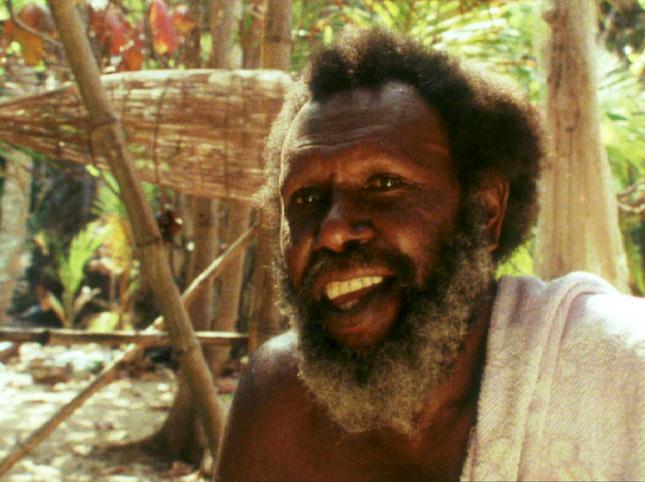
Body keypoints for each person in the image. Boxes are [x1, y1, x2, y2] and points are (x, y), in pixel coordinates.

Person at [216, 29, 645, 481]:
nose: (333, 231)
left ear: (486, 212)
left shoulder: (624, 372)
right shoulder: (279, 405)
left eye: (384, 185)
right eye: (305, 199)